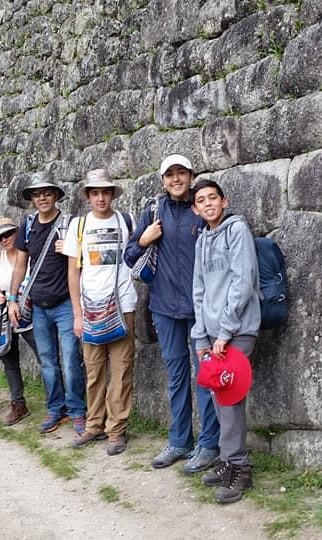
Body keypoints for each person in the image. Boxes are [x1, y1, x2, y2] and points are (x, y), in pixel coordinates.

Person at [124, 154, 220, 473]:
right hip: (164, 308)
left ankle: (209, 444)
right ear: (163, 180)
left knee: (206, 377)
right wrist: (144, 238)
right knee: (177, 376)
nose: (176, 179)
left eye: (181, 173)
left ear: (190, 176)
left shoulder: (201, 207)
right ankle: (180, 441)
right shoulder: (154, 211)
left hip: (200, 309)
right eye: (170, 174)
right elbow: (129, 255)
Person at [190, 178, 262, 504]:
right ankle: (229, 461)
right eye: (201, 200)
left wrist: (225, 332)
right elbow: (199, 291)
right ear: (195, 208)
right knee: (220, 398)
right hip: (214, 336)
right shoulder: (202, 240)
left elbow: (243, 281)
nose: (208, 204)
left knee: (228, 398)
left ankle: (238, 470)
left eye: (213, 198)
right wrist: (201, 335)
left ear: (224, 201)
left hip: (238, 330)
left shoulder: (237, 231)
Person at [63, 169, 137, 456]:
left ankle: (116, 429)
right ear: (89, 196)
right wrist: (77, 314)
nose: (101, 197)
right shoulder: (79, 227)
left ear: (112, 194)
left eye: (106, 192)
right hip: (91, 307)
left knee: (121, 370)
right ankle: (94, 424)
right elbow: (73, 271)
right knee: (94, 370)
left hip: (122, 305)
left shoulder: (124, 221)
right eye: (95, 193)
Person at [7, 172, 85, 435]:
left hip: (64, 303)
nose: (42, 198)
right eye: (37, 194)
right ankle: (56, 409)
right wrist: (12, 298)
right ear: (32, 199)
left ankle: (76, 410)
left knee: (71, 361)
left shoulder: (70, 224)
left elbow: (84, 260)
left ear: (55, 196)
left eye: (47, 193)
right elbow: (20, 264)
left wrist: (72, 248)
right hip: (38, 305)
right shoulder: (28, 226)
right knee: (48, 362)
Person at [0, 217, 41, 426]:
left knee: (43, 354)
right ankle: (18, 402)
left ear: (16, 234)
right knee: (9, 359)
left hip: (26, 310)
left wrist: (13, 299)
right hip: (2, 311)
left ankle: (57, 401)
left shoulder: (24, 253)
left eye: (7, 234)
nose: (4, 240)